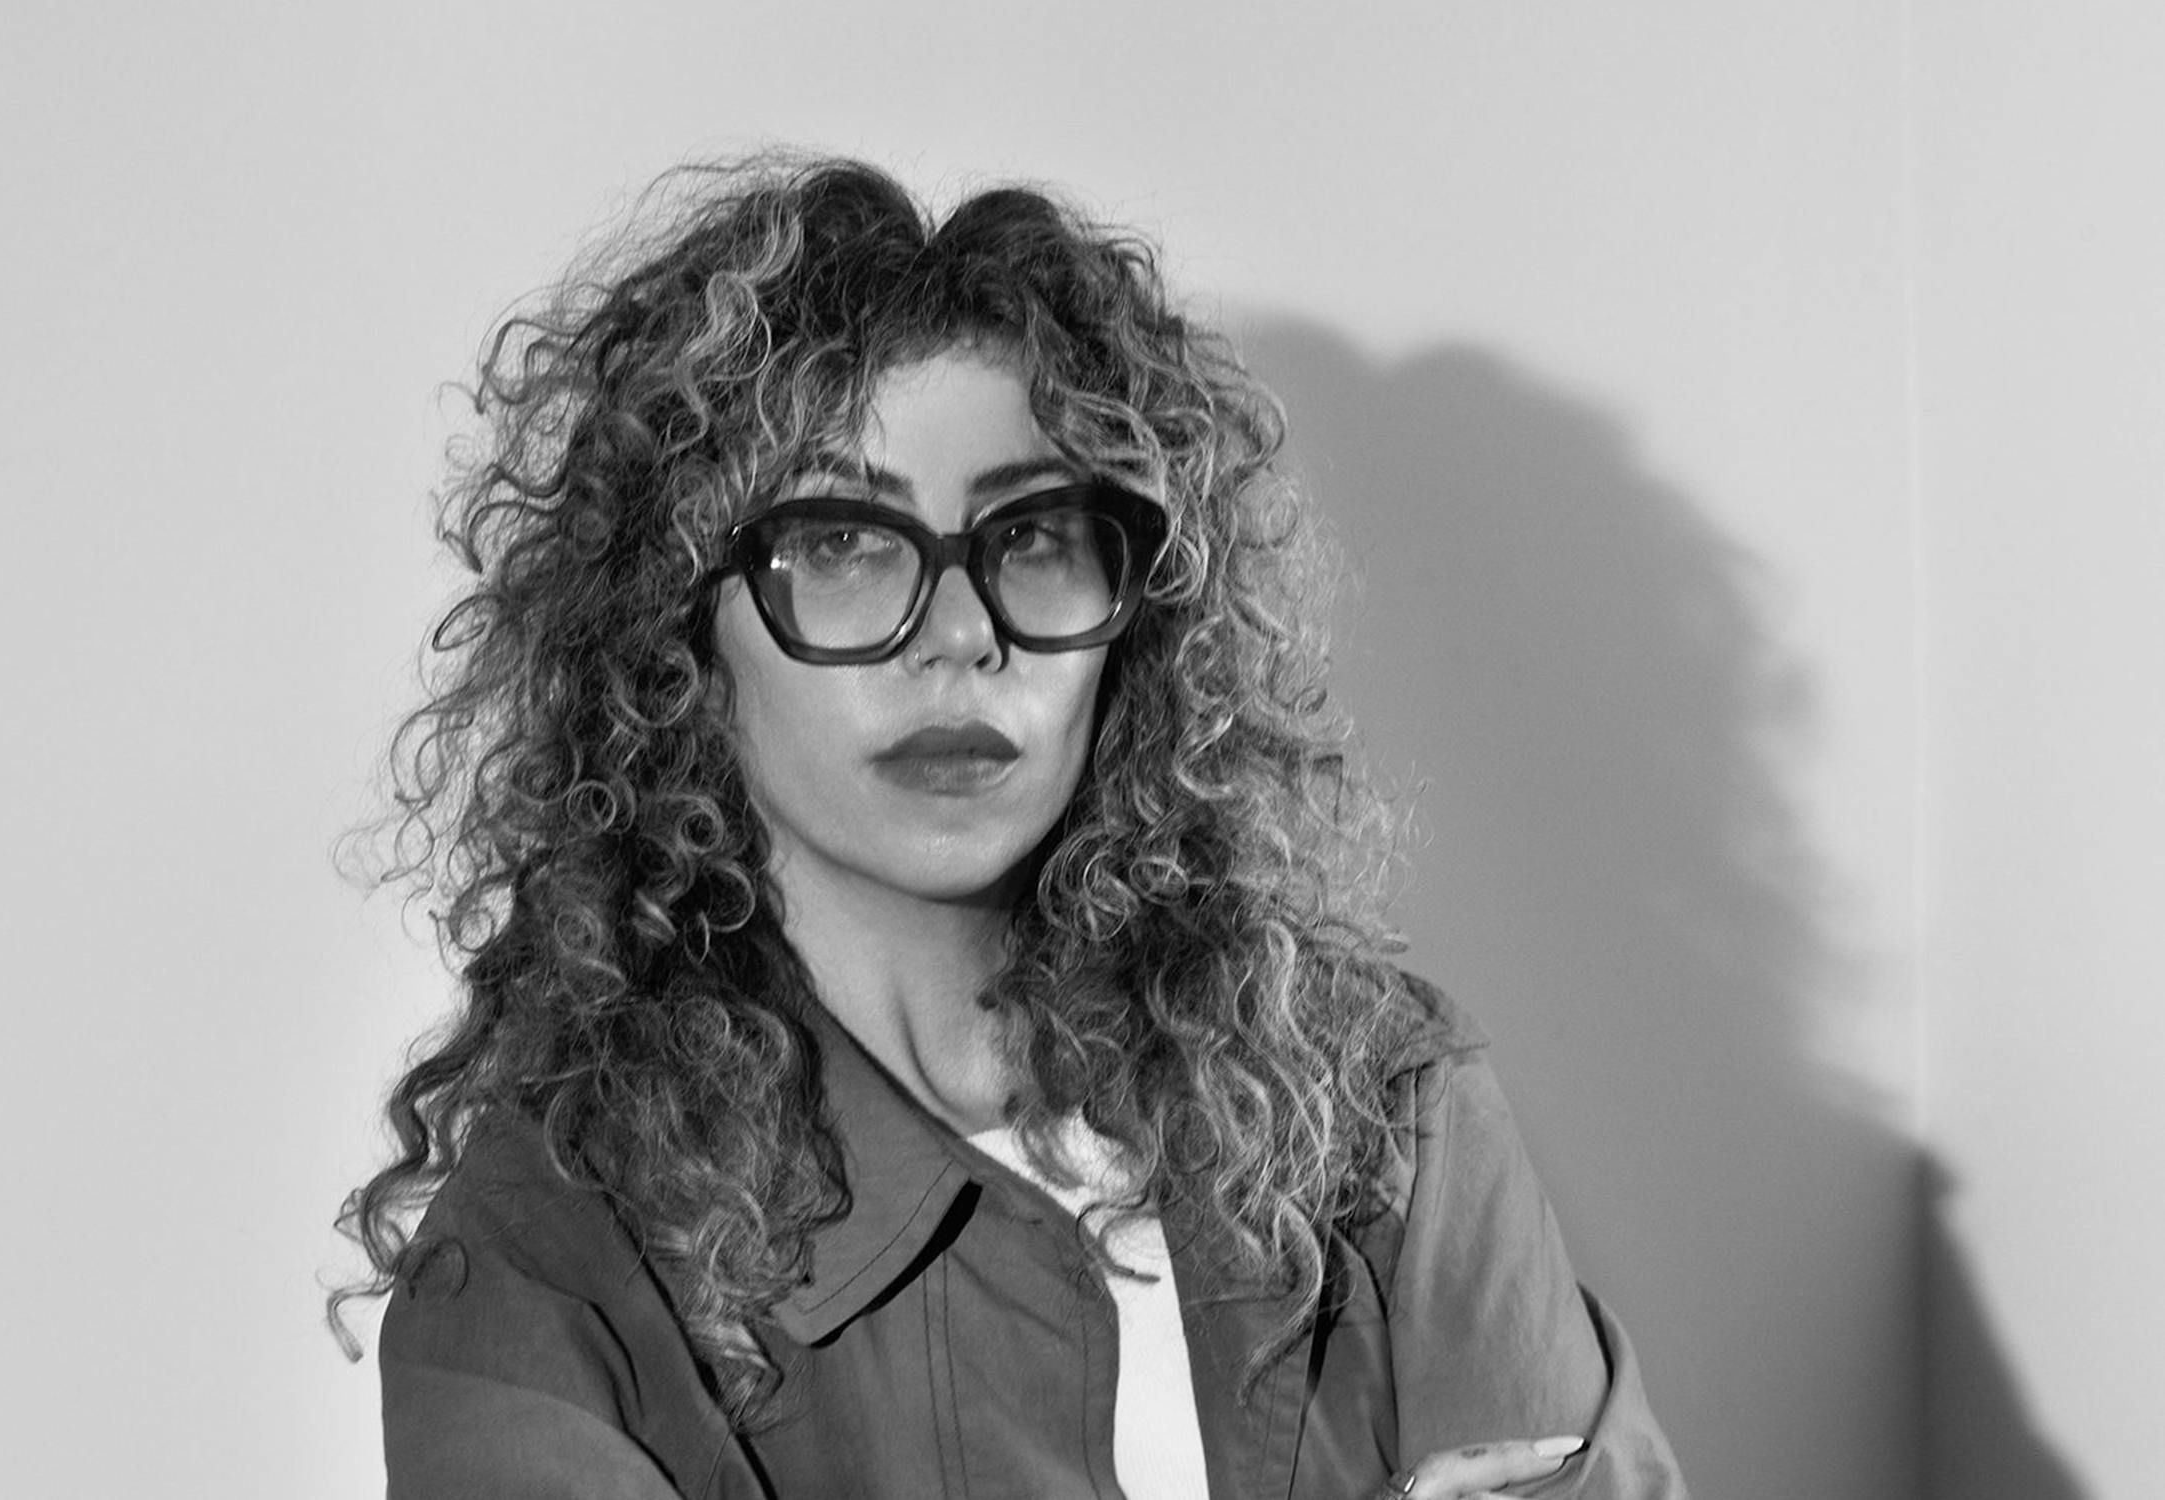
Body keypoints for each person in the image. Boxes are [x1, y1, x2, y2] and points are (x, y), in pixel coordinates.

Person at [334, 153, 1687, 1500]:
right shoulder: (541, 1271)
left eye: (1033, 536)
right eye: (843, 544)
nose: (962, 637)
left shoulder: (1376, 1104)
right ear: (674, 633)